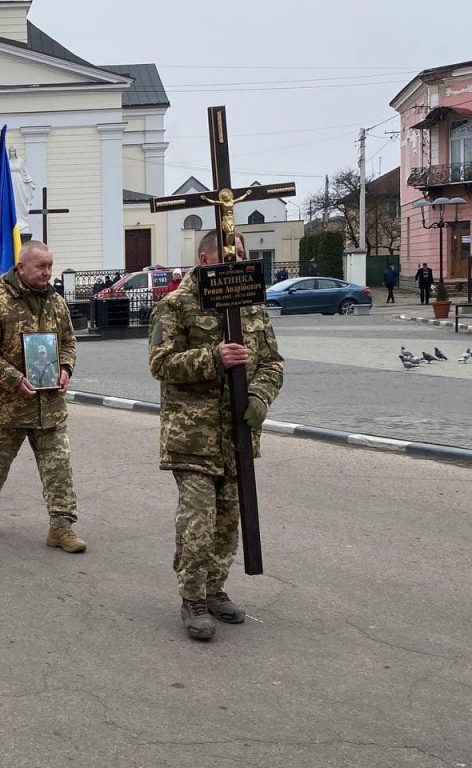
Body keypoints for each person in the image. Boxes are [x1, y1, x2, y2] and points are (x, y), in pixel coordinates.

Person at [148, 229, 284, 641]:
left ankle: (214, 588)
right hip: (193, 434)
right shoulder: (177, 304)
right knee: (198, 520)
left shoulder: (252, 307)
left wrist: (259, 396)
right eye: (229, 254)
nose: (238, 260)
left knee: (227, 519)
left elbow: (272, 362)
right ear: (205, 259)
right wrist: (213, 357)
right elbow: (161, 363)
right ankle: (192, 598)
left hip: (236, 434)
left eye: (241, 254)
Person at [0, 240, 85, 551]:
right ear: (21, 267)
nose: (47, 272)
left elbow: (68, 342)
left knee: (59, 467)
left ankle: (61, 527)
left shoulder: (56, 302)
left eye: (50, 266)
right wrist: (14, 378)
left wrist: (65, 368)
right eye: (41, 266)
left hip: (49, 406)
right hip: (6, 408)